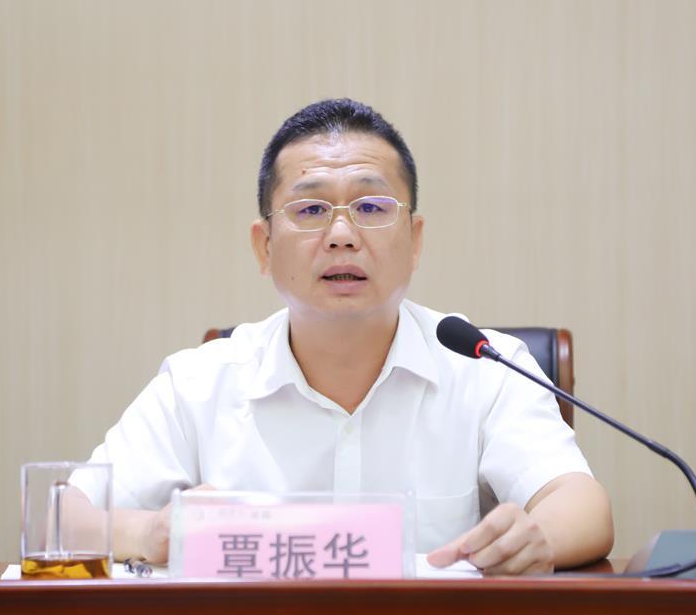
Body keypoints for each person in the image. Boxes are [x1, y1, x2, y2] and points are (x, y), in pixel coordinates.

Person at [73, 98, 614, 575]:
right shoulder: (199, 383)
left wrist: (537, 539)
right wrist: (152, 533)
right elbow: (64, 518)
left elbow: (582, 505)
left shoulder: (486, 368)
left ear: (415, 240)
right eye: (310, 209)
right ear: (264, 246)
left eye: (371, 208)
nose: (340, 235)